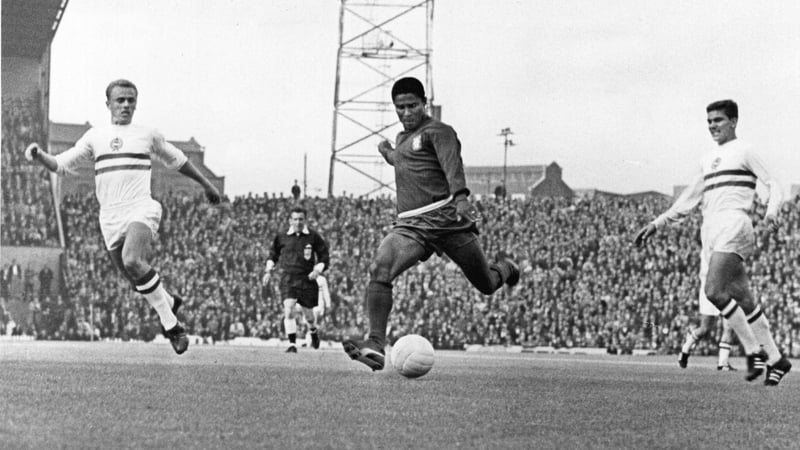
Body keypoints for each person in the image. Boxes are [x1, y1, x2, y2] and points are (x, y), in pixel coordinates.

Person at [24, 78, 221, 355]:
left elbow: (178, 160)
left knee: (132, 260)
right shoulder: (95, 136)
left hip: (140, 207)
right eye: (120, 100)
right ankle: (169, 301)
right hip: (109, 218)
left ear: (136, 103)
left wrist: (208, 185)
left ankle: (173, 327)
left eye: (130, 100)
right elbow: (60, 165)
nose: (126, 105)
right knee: (135, 279)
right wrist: (39, 154)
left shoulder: (147, 134)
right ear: (109, 104)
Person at [342, 77, 520, 371]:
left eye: (412, 105)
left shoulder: (440, 132)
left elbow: (452, 165)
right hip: (412, 226)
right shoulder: (402, 140)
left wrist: (461, 198)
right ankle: (375, 343)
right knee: (380, 267)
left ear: (424, 103)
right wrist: (386, 151)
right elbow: (401, 159)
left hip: (448, 220)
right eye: (400, 107)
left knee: (486, 284)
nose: (406, 112)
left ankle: (507, 268)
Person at [634, 99, 790, 386]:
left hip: (734, 222)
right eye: (709, 122)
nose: (712, 126)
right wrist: (658, 223)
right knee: (744, 299)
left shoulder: (745, 151)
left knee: (714, 291)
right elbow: (689, 198)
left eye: (718, 120)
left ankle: (754, 351)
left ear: (733, 121)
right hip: (710, 228)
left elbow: (773, 182)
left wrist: (771, 212)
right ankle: (777, 359)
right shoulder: (707, 160)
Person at [262, 206, 330, 353]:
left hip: (307, 279)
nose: (298, 222)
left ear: (305, 220)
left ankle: (313, 331)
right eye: (295, 219)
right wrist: (268, 271)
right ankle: (292, 344)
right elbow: (273, 255)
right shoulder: (282, 236)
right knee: (289, 308)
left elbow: (324, 256)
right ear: (290, 220)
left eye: (301, 219)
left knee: (309, 316)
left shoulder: (313, 236)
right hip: (288, 278)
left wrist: (317, 270)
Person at [678, 288, 737, 371]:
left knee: (729, 327)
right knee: (704, 329)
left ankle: (723, 363)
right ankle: (685, 348)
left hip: (725, 292)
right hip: (710, 292)